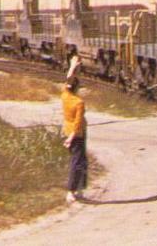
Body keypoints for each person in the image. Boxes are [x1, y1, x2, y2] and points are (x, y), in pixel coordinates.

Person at [62, 55, 87, 204]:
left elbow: (68, 80)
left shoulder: (65, 95)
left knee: (81, 160)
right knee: (77, 162)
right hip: (76, 134)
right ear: (78, 88)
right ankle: (71, 191)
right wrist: (71, 138)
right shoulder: (79, 102)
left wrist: (72, 67)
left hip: (68, 130)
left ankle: (79, 188)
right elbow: (78, 123)